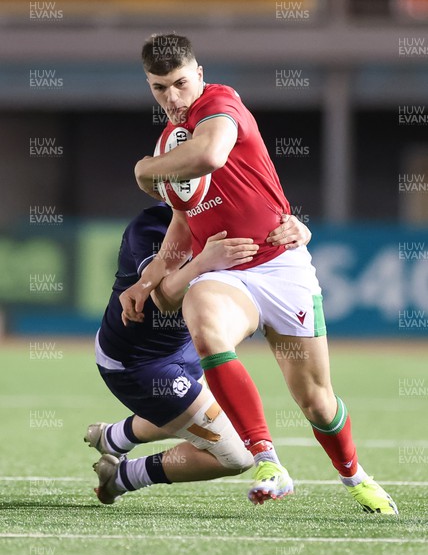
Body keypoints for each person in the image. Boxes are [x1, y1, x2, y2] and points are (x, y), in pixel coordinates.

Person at [120, 33, 398, 515]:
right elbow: (185, 222)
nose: (173, 98)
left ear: (199, 74)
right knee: (205, 323)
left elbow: (211, 156)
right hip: (226, 272)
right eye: (159, 88)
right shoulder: (171, 141)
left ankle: (354, 476)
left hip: (280, 264)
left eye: (180, 84)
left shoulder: (221, 103)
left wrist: (146, 169)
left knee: (317, 401)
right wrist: (147, 280)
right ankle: (267, 460)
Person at [87, 203, 311, 504]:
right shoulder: (153, 225)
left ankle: (114, 437)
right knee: (238, 455)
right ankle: (123, 477)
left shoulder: (234, 213)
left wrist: (300, 232)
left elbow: (276, 252)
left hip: (188, 347)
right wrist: (204, 261)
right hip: (139, 362)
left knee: (198, 413)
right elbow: (160, 299)